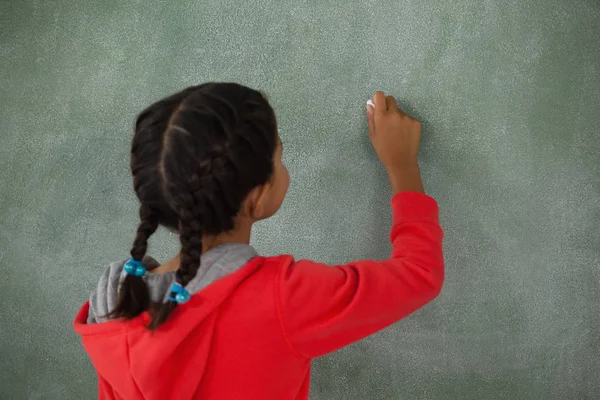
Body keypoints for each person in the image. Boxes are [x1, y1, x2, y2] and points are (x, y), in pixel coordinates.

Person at [73, 83, 444, 399]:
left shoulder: (112, 308)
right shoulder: (283, 300)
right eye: (280, 155)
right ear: (257, 198)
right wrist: (402, 165)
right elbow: (419, 273)